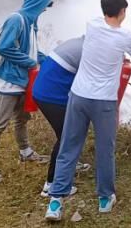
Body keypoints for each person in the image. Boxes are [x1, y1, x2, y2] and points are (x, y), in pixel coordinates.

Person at [45, 0, 131, 221]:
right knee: (105, 149)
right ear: (122, 11)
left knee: (69, 146)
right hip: (104, 101)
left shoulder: (92, 25)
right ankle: (105, 198)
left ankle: (55, 202)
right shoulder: (126, 36)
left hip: (79, 96)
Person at [0, 0, 53, 184]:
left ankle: (25, 152)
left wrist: (49, 60)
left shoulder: (31, 23)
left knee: (22, 119)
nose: (44, 10)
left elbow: (33, 51)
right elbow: (4, 47)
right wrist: (30, 63)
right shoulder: (16, 19)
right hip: (9, 82)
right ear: (35, 4)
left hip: (23, 82)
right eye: (43, 6)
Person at [32, 36, 92, 198]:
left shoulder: (78, 43)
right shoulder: (89, 50)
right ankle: (52, 184)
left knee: (70, 134)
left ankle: (68, 166)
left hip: (43, 90)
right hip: (52, 96)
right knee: (67, 137)